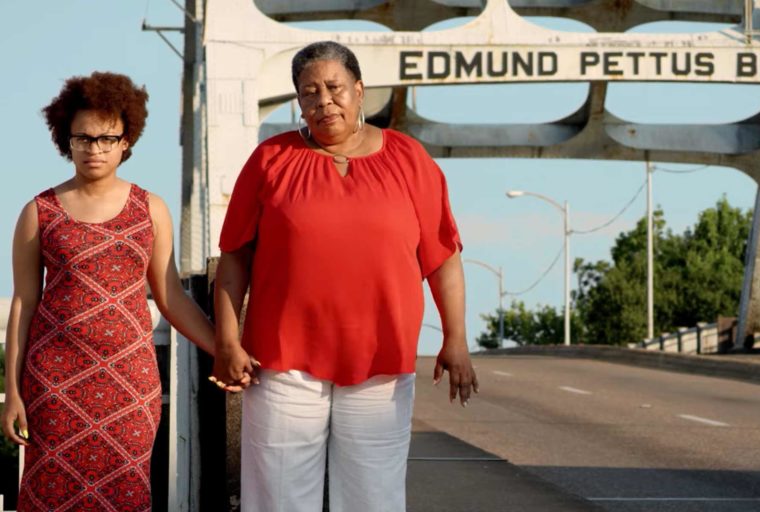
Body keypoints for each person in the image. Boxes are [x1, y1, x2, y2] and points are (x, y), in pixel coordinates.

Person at [213, 41, 479, 512]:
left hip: (381, 359)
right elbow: (234, 258)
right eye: (309, 92)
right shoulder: (270, 160)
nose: (323, 101)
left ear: (359, 91)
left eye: (334, 88)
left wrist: (455, 338)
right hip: (282, 359)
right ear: (298, 101)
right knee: (276, 499)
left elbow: (443, 257)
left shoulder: (409, 158)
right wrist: (228, 341)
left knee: (372, 499)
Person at [0, 71, 227, 511]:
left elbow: (171, 296)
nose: (94, 149)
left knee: (124, 493)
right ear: (66, 139)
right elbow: (24, 303)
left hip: (129, 384)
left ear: (127, 141)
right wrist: (13, 391)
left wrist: (223, 348)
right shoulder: (38, 211)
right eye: (83, 137)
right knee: (49, 494)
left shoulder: (151, 208)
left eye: (107, 138)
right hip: (54, 383)